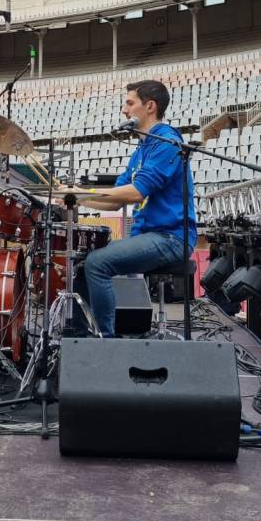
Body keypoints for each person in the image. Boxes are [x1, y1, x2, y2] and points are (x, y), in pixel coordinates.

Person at [77, 79, 197, 337]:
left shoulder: (166, 142)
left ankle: (106, 340)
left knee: (97, 262)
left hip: (171, 238)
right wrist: (76, 198)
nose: (124, 110)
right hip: (150, 236)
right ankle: (81, 335)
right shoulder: (142, 149)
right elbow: (116, 200)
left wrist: (85, 193)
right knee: (82, 261)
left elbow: (136, 192)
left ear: (150, 106)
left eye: (130, 103)